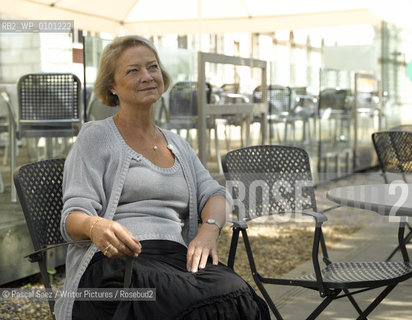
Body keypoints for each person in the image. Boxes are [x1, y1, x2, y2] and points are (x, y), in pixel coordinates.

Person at [54, 35, 270, 320]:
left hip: (175, 256)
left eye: (152, 67)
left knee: (237, 294)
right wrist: (96, 226)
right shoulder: (96, 136)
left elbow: (214, 194)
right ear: (112, 86)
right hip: (119, 262)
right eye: (133, 70)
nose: (147, 76)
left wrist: (209, 231)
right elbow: (72, 217)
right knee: (186, 305)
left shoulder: (177, 144)